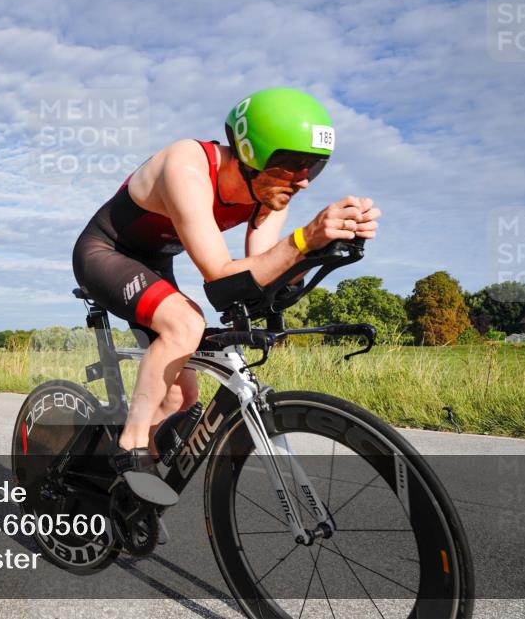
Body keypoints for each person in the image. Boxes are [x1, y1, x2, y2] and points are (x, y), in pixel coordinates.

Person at [72, 87, 381, 505]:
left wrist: (322, 246)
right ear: (250, 152)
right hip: (105, 252)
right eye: (293, 164)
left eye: (316, 167)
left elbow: (261, 276)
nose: (305, 180)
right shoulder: (187, 165)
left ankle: (120, 497)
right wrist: (306, 238)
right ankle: (130, 448)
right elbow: (218, 273)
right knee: (185, 324)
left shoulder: (269, 197)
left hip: (155, 263)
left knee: (183, 397)